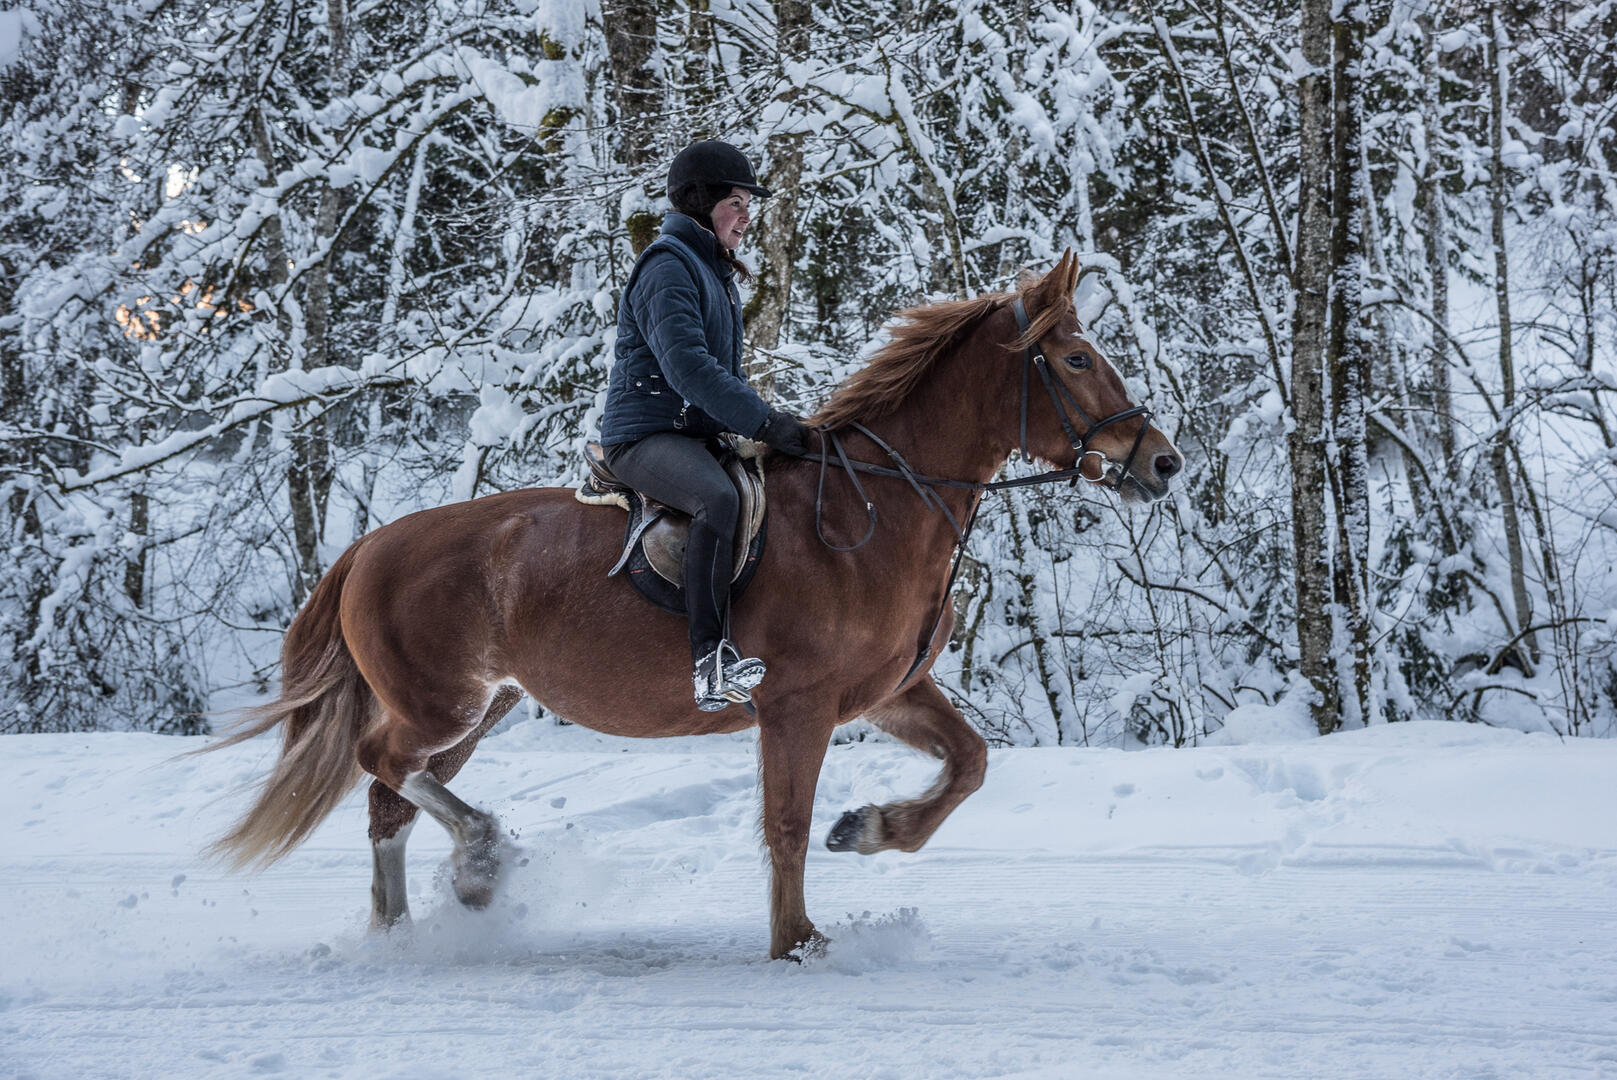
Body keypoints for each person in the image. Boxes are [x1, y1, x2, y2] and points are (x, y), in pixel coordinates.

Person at [599, 140, 814, 712]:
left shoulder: (711, 269)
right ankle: (710, 660)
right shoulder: (666, 264)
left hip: (691, 432)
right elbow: (690, 369)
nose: (747, 217)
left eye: (750, 206)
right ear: (699, 202)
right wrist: (764, 421)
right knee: (716, 498)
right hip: (643, 435)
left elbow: (719, 375)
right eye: (737, 203)